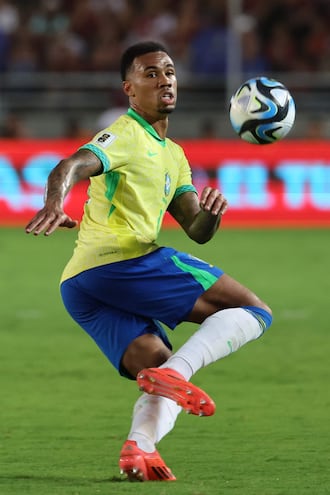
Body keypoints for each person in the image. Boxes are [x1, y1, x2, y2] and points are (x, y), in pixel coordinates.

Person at [25, 40, 272, 482]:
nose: (165, 80)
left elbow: (195, 227)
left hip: (82, 287)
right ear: (130, 89)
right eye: (150, 73)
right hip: (123, 261)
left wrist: (211, 217)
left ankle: (138, 450)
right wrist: (53, 203)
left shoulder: (174, 156)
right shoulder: (126, 133)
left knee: (156, 365)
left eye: (170, 71)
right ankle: (178, 373)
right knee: (254, 310)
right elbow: (70, 165)